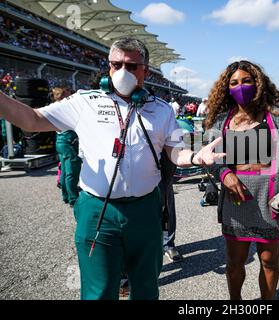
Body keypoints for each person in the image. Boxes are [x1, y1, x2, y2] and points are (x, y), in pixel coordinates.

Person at [0, 37, 224, 300]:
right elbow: (32, 119)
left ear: (145, 71)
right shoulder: (84, 102)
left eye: (131, 66)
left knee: (146, 288)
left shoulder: (161, 110)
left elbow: (175, 150)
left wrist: (196, 156)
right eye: (116, 65)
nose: (122, 72)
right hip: (97, 210)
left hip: (145, 208)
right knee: (98, 291)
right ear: (108, 67)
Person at [204, 60, 279, 300]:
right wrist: (224, 174)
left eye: (246, 80)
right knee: (234, 263)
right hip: (237, 201)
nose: (240, 86)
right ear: (226, 87)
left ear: (258, 83)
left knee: (269, 261)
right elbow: (209, 156)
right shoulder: (222, 119)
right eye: (234, 83)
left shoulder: (277, 114)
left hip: (270, 197)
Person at [53, 87, 82, 207]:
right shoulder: (63, 107)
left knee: (64, 171)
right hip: (67, 140)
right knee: (71, 171)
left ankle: (66, 196)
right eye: (69, 94)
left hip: (60, 140)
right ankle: (74, 199)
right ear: (63, 95)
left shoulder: (54, 106)